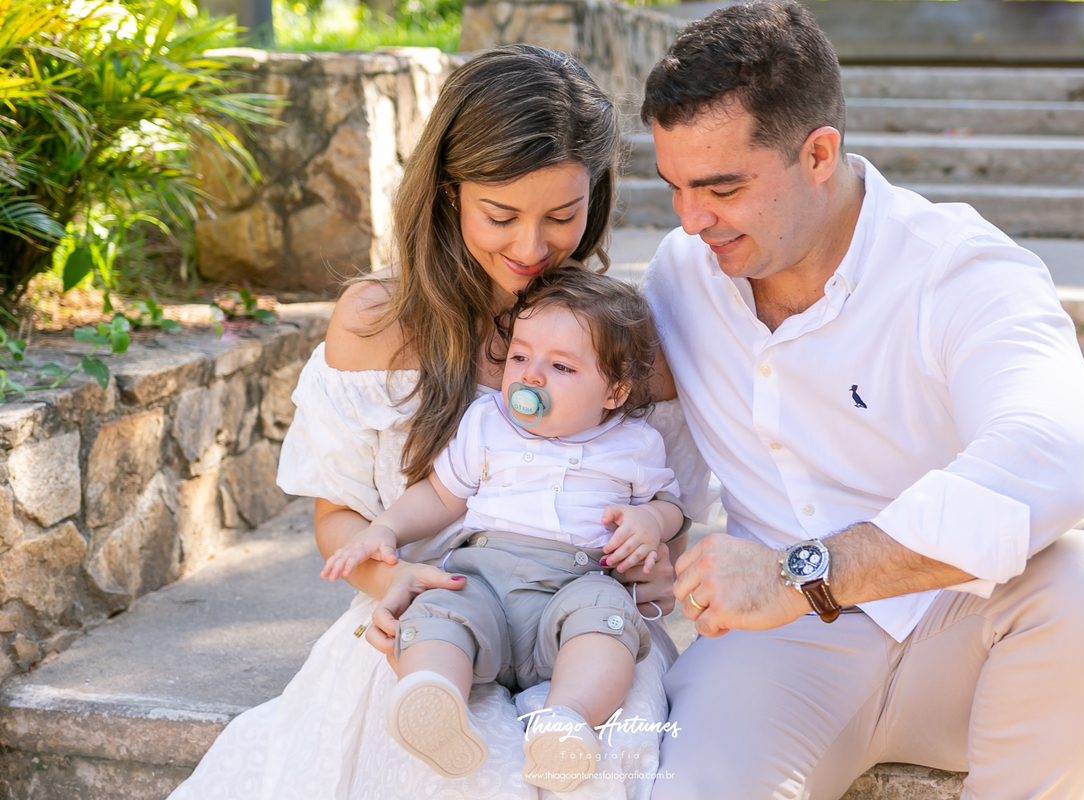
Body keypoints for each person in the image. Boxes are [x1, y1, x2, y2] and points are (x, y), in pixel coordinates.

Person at [637, 3, 1084, 799]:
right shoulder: (681, 274)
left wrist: (801, 574)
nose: (690, 218)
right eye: (673, 186)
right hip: (775, 653)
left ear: (819, 154)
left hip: (960, 624)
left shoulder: (961, 269)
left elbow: (1044, 462)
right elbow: (636, 447)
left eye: (721, 187)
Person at [168, 45, 715, 800]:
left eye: (562, 215)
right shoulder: (374, 322)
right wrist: (391, 576)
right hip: (426, 622)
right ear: (448, 191)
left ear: (597, 191)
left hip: (587, 637)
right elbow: (340, 518)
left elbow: (671, 513)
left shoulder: (620, 343)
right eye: (501, 215)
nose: (531, 247)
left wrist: (652, 555)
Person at [320, 268, 686, 792]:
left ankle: (567, 720)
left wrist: (650, 520)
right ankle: (434, 698)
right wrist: (385, 529)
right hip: (483, 575)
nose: (530, 376)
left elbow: (667, 504)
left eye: (560, 366)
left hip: (577, 585)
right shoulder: (487, 423)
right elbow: (441, 494)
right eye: (519, 357)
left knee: (607, 624)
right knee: (439, 612)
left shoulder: (634, 443)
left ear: (615, 390)